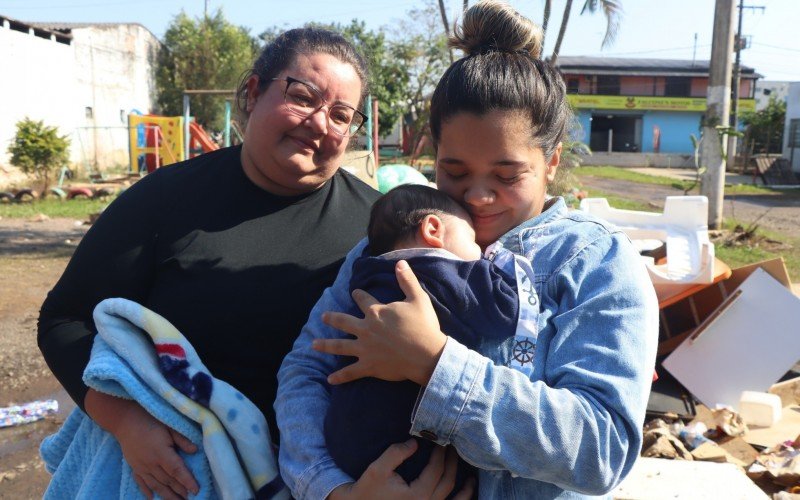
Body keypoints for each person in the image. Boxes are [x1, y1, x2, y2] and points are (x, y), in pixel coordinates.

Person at [275, 1, 659, 499]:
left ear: (551, 161)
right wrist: (333, 489)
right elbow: (307, 369)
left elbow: (602, 448)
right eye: (454, 172)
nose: (477, 196)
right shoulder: (390, 245)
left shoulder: (595, 262)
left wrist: (433, 363)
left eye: (506, 175)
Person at [38, 27, 397, 500]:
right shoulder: (164, 200)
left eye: (340, 115)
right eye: (303, 96)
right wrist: (129, 423)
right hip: (171, 476)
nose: (318, 123)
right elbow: (65, 319)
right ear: (252, 92)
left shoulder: (379, 229)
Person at [325, 184, 539, 488]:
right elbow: (506, 312)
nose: (479, 250)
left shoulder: (368, 271)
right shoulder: (444, 271)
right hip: (405, 445)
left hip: (343, 438)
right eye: (473, 240)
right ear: (434, 230)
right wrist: (502, 261)